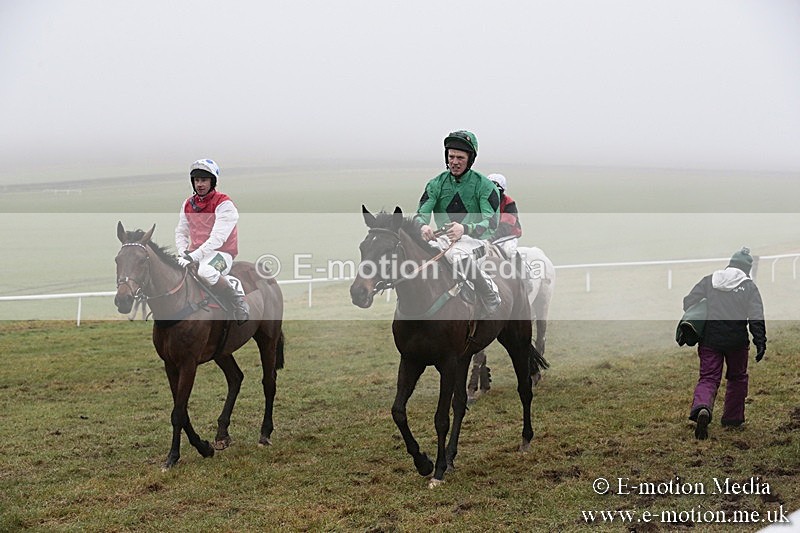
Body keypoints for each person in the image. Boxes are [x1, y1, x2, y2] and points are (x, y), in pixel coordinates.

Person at [414, 130, 502, 317]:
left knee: (456, 255)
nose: (454, 162)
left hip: (477, 241)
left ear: (470, 159)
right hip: (444, 239)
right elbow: (420, 214)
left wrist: (465, 229)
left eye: (460, 157)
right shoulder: (435, 184)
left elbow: (492, 223)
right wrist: (423, 226)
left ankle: (489, 295)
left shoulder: (486, 186)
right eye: (451, 156)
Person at [682, 247, 766, 440]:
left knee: (708, 378)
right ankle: (732, 419)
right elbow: (756, 316)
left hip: (710, 339)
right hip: (737, 342)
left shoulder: (710, 280)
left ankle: (702, 408)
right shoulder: (749, 286)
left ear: (730, 263)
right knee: (737, 378)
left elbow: (688, 302)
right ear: (747, 269)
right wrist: (760, 341)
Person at [175, 158, 249, 324]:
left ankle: (238, 302)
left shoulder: (224, 204)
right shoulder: (187, 204)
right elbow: (181, 231)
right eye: (197, 180)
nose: (200, 184)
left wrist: (192, 257)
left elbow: (217, 239)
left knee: (205, 272)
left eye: (204, 180)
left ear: (212, 181)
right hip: (194, 254)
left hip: (222, 253)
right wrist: (183, 252)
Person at [486, 173, 522, 259]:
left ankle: (520, 271)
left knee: (509, 251)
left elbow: (505, 227)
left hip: (507, 236)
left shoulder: (509, 203)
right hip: (487, 236)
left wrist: (489, 238)